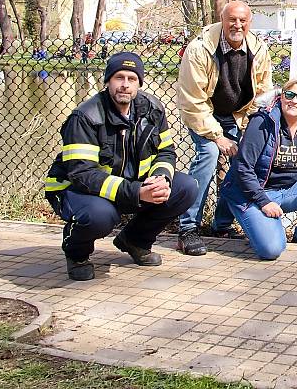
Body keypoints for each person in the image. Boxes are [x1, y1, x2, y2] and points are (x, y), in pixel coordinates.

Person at [44, 52, 197, 281]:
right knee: (100, 215)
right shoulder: (85, 116)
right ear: (108, 81)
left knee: (186, 187)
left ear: (139, 83)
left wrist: (161, 178)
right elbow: (83, 174)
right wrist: (137, 192)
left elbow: (166, 151)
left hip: (128, 186)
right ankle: (76, 254)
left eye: (132, 79)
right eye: (119, 77)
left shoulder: (152, 110)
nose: (125, 85)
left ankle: (135, 241)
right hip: (77, 190)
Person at [176, 0, 273, 255]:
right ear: (222, 19)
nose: (237, 25)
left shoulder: (258, 49)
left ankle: (221, 224)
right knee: (208, 155)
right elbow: (192, 100)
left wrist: (251, 126)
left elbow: (263, 92)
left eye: (243, 20)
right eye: (232, 19)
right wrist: (218, 137)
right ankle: (188, 228)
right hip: (204, 113)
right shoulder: (199, 49)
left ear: (249, 22)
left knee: (246, 160)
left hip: (238, 115)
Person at [220, 80, 297, 259]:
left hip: (287, 191)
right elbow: (243, 168)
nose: (295, 101)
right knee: (271, 250)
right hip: (253, 194)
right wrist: (264, 202)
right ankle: (235, 216)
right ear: (281, 96)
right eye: (290, 95)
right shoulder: (262, 122)